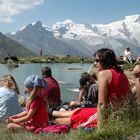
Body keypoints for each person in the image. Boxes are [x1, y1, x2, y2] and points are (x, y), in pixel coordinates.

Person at [51, 48, 132, 129]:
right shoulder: (121, 74)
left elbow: (101, 104)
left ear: (105, 61)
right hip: (120, 114)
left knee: (59, 120)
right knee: (79, 111)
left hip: (110, 115)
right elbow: (130, 97)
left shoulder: (104, 74)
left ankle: (49, 113)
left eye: (97, 61)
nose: (94, 63)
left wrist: (101, 129)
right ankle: (51, 112)